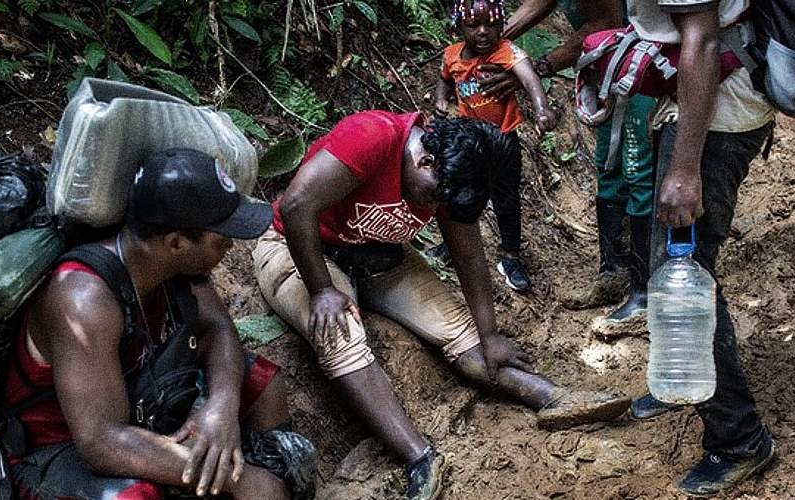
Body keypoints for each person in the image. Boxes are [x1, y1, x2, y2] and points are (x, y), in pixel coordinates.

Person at [253, 112, 630, 500]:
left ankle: (552, 397)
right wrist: (320, 290)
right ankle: (420, 458)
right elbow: (297, 204)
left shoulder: (454, 175)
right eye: (433, 197)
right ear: (425, 160)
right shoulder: (371, 136)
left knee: (458, 330)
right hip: (298, 249)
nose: (435, 206)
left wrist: (489, 333)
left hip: (378, 256)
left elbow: (468, 256)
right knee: (340, 337)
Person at [2, 148, 315, 499]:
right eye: (221, 237)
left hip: (147, 401)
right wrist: (233, 479)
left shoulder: (174, 265)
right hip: (64, 449)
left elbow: (217, 329)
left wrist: (221, 408)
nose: (231, 244)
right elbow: (101, 443)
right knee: (139, 497)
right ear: (176, 242)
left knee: (263, 386)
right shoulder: (84, 299)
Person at [623, 0, 777, 497]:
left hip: (716, 117)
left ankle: (740, 440)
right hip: (698, 105)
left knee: (682, 267)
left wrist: (685, 168)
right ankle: (681, 377)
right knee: (667, 263)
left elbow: (704, 40)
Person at [494, 0, 658, 335]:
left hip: (644, 62)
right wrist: (494, 42)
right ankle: (614, 273)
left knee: (636, 166)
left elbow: (603, 23)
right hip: (612, 61)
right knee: (609, 164)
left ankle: (645, 292)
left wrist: (539, 65)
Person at [432, 0, 558, 293]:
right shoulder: (452, 55)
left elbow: (528, 77)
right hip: (469, 139)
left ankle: (511, 257)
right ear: (459, 27)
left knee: (506, 199)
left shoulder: (505, 51)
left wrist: (542, 109)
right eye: (473, 25)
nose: (483, 32)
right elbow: (444, 78)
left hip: (502, 140)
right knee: (459, 192)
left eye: (491, 24)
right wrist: (441, 100)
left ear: (502, 24)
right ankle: (453, 244)